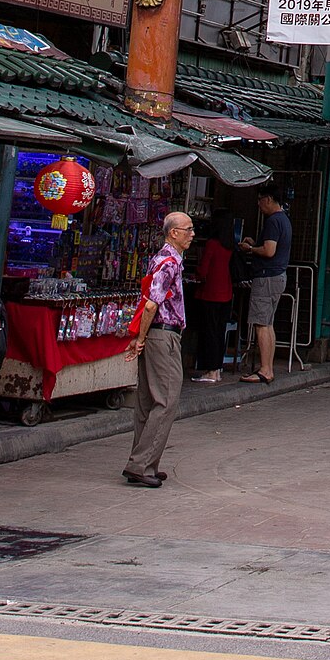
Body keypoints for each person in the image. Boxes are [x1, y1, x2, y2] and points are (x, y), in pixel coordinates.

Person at [126, 209, 194, 487]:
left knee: (148, 400)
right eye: (188, 229)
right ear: (173, 233)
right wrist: (140, 337)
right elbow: (152, 303)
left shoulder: (165, 259)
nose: (192, 234)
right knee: (166, 400)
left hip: (157, 333)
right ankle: (141, 464)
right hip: (162, 335)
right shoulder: (169, 262)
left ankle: (143, 463)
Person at [234, 185, 293, 382]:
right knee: (267, 323)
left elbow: (269, 251)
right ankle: (267, 367)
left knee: (261, 323)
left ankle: (266, 369)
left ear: (268, 199)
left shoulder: (273, 221)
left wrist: (250, 249)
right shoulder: (283, 220)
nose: (258, 205)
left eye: (260, 200)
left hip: (268, 276)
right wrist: (255, 243)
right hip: (277, 276)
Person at [187, 215, 234, 383]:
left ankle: (211, 370)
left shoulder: (212, 244)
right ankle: (217, 368)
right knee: (219, 333)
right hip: (226, 294)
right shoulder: (230, 246)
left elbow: (203, 269)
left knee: (209, 332)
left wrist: (196, 275)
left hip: (211, 293)